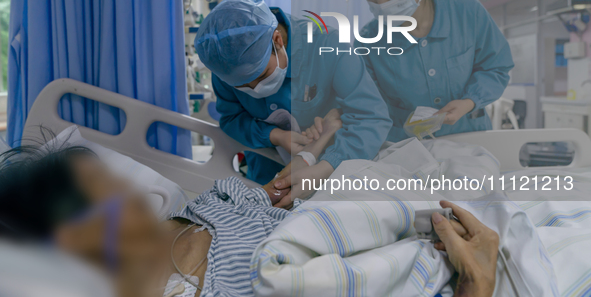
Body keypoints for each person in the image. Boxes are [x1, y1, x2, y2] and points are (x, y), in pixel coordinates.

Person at [0, 137, 499, 297]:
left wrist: (301, 179)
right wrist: (477, 286)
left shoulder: (213, 201)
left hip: (413, 230)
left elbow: (303, 211)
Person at [194, 0, 392, 190]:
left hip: (335, 175)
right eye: (242, 87)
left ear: (278, 40)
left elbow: (371, 117)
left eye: (262, 76)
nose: (256, 90)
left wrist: (326, 166)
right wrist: (275, 136)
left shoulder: (327, 46)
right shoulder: (225, 64)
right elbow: (231, 119)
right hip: (264, 178)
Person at [357, 0, 514, 142]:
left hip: (469, 140)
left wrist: (468, 102)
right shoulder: (367, 41)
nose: (380, 1)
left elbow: (496, 67)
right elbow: (364, 102)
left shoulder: (467, 13)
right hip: (405, 147)